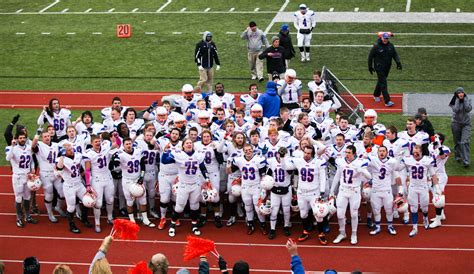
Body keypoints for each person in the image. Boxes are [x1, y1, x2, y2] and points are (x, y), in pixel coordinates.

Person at [330, 145, 371, 245]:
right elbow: (337, 177)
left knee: (353, 214)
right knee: (340, 214)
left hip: (354, 191)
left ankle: (354, 234)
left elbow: (369, 176)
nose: (347, 154)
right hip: (343, 190)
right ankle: (342, 233)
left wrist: (361, 170)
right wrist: (332, 191)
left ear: (354, 154)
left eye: (349, 153)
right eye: (346, 152)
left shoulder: (359, 163)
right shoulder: (340, 161)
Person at [399, 145, 441, 237]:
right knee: (413, 208)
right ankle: (414, 228)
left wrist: (437, 188)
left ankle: (425, 218)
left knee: (424, 207)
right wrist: (399, 158)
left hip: (423, 187)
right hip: (413, 187)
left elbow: (433, 175)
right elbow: (398, 168)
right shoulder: (408, 160)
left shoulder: (427, 160)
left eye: (417, 151)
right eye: (414, 152)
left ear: (421, 152)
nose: (415, 153)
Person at [6, 132, 38, 228]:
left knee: (27, 197)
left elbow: (31, 160)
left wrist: (32, 168)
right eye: (20, 138)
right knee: (19, 197)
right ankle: (19, 217)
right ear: (16, 139)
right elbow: (8, 158)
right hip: (18, 177)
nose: (22, 139)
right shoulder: (11, 148)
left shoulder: (28, 148)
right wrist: (12, 146)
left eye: (24, 138)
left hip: (27, 176)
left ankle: (27, 216)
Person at [368, 32, 401, 107]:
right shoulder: (376, 46)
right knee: (383, 83)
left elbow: (394, 54)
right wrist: (370, 66)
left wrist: (398, 62)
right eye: (384, 38)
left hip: (387, 67)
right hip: (379, 67)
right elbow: (370, 57)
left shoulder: (390, 46)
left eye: (387, 38)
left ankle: (376, 94)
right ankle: (387, 101)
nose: (386, 40)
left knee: (381, 81)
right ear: (381, 38)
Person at [449, 87, 471, 168]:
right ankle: (458, 156)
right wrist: (458, 100)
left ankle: (466, 161)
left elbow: (468, 109)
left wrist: (464, 100)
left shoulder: (467, 99)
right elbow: (456, 110)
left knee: (464, 141)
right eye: (459, 93)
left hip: (466, 124)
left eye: (462, 92)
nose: (460, 94)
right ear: (456, 94)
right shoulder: (454, 101)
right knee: (457, 141)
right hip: (456, 123)